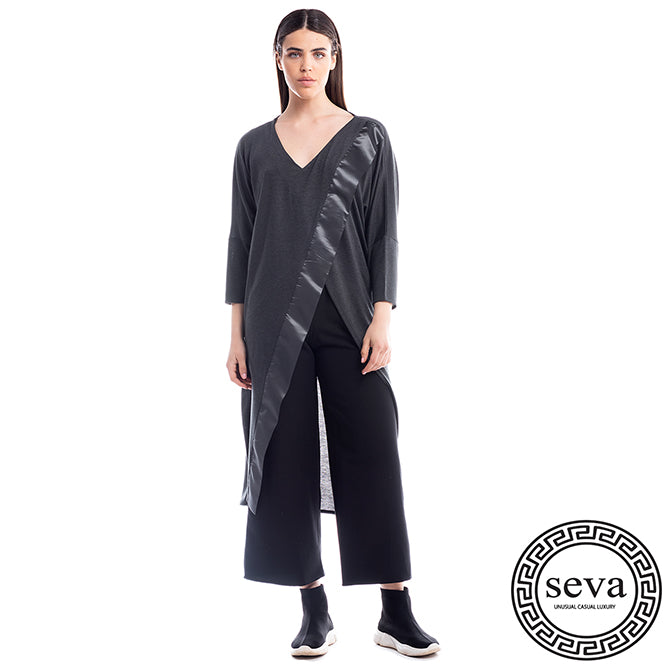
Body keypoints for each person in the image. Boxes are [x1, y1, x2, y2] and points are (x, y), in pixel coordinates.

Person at [225, 8, 439, 658]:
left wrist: (383, 315)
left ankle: (395, 611)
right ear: (277, 60)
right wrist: (235, 335)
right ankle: (313, 610)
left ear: (335, 59)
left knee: (373, 454)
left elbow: (384, 233)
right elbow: (241, 243)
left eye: (318, 53)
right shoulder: (253, 147)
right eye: (294, 53)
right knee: (285, 465)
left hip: (350, 319)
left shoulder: (367, 137)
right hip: (270, 327)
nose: (306, 66)